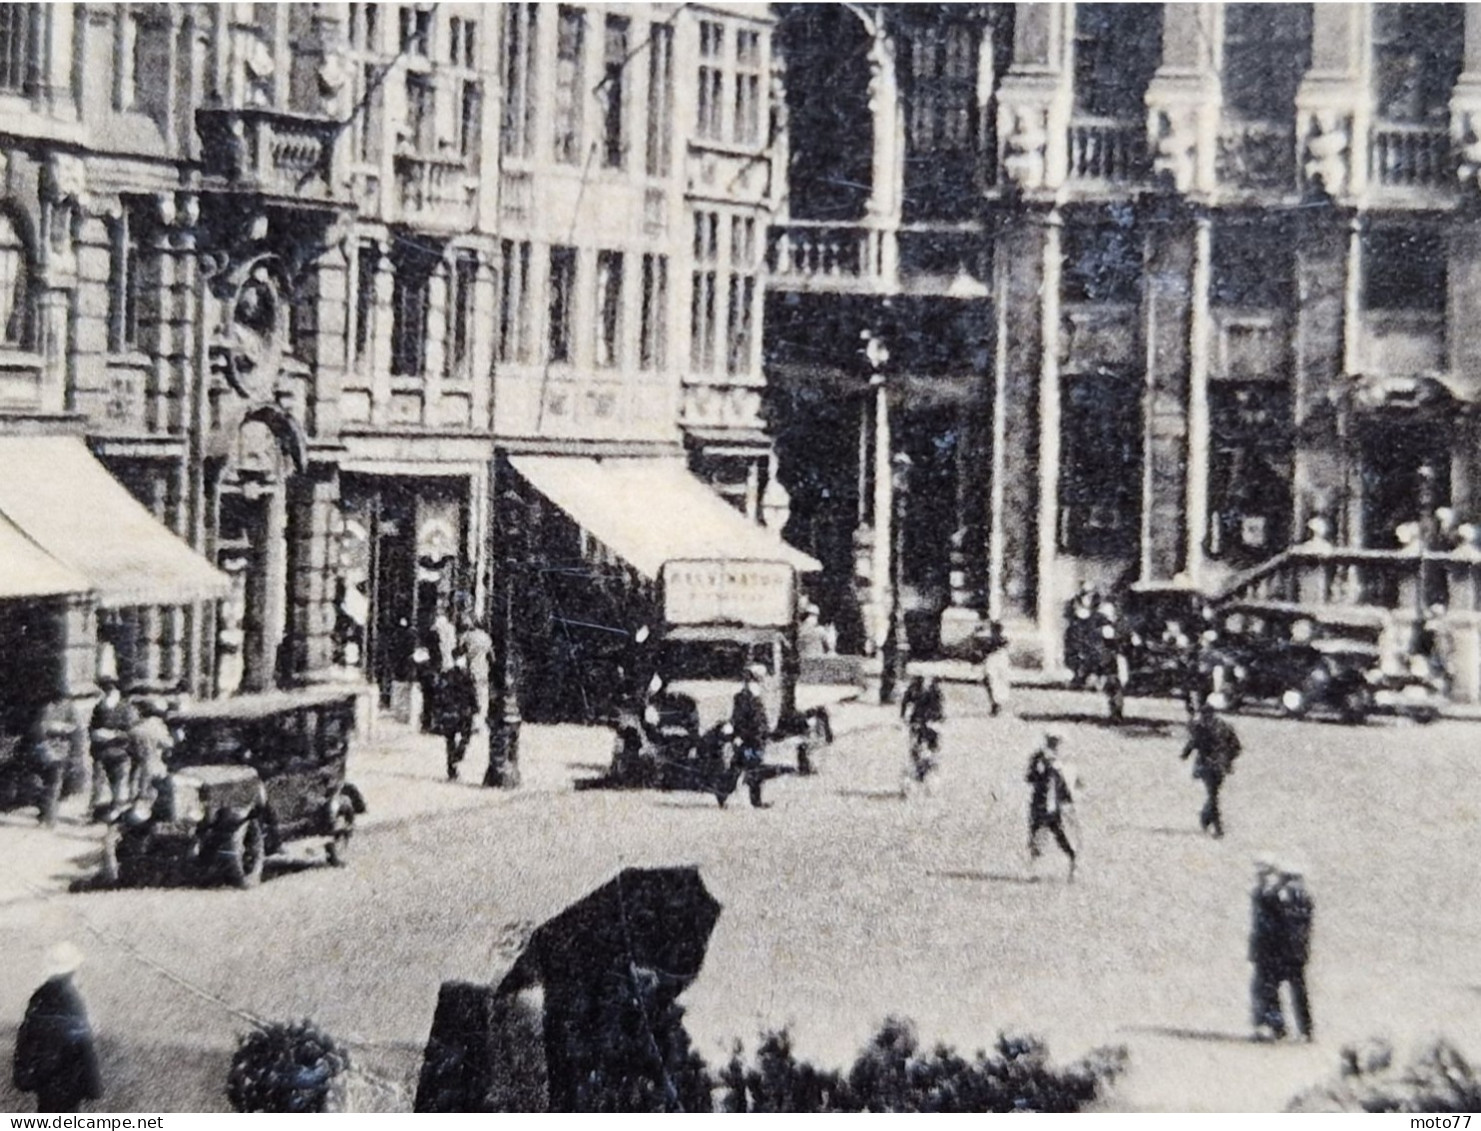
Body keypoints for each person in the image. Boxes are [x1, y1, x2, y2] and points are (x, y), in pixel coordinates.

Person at [13, 942, 102, 1113]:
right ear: (72, 970)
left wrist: (25, 1074)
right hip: (68, 1080)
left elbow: (27, 1037)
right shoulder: (72, 998)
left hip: (45, 1080)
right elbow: (83, 1044)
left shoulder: (40, 996)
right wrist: (92, 1084)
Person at [1249, 855, 1315, 1042]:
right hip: (1294, 953)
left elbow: (1274, 921)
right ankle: (1302, 1030)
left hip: (1279, 953)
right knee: (1294, 992)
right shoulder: (1304, 898)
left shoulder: (1279, 897)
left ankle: (1279, 1028)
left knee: (1272, 990)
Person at [1181, 701, 1241, 838]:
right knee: (1213, 794)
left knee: (1212, 795)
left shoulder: (1200, 727)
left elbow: (1193, 742)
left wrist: (1185, 754)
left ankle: (1208, 818)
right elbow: (1236, 746)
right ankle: (1213, 823)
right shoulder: (1224, 727)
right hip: (1220, 765)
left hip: (1207, 765)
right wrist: (1228, 758)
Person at [1025, 734, 1078, 880]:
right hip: (1041, 805)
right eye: (1054, 742)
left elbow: (1063, 784)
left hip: (1053, 807)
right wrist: (1041, 770)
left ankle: (1072, 866)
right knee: (1036, 837)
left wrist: (1068, 801)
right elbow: (1029, 777)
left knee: (1062, 836)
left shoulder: (1059, 761)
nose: (1056, 745)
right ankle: (1034, 871)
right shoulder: (1039, 758)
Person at [88, 676, 138, 820]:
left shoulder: (126, 710)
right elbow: (91, 727)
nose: (106, 695)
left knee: (119, 784)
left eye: (110, 692)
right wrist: (95, 734)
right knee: (99, 783)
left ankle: (117, 813)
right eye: (105, 692)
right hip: (100, 752)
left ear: (117, 693)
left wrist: (112, 735)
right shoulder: (99, 709)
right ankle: (97, 813)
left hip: (120, 753)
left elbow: (131, 733)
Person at [27, 699, 81, 828]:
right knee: (50, 783)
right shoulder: (45, 707)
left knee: (55, 783)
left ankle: (48, 815)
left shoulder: (70, 708)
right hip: (44, 749)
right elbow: (39, 728)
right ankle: (47, 815)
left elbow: (74, 727)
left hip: (61, 750)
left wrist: (58, 727)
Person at [729, 665, 772, 808]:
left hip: (757, 738)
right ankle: (735, 798)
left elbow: (760, 719)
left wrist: (765, 733)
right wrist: (739, 735)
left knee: (753, 769)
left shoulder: (755, 695)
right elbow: (739, 719)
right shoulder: (744, 697)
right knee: (744, 769)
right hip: (748, 738)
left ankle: (755, 801)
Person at [436, 655, 478, 781]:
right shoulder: (468, 676)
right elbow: (472, 694)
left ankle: (452, 770)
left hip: (449, 712)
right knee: (466, 737)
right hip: (464, 712)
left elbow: (440, 694)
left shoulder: (446, 675)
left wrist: (439, 711)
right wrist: (475, 709)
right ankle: (458, 756)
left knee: (450, 741)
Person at [900, 675, 944, 785]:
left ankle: (927, 770)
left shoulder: (935, 691)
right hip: (918, 721)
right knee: (916, 747)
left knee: (931, 749)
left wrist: (936, 720)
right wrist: (904, 716)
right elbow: (905, 702)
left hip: (930, 722)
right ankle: (918, 770)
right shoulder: (914, 689)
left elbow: (940, 709)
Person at [458, 619, 494, 730]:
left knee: (471, 696)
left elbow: (459, 651)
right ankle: (481, 722)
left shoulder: (467, 636)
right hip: (483, 669)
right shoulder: (486, 637)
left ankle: (471, 722)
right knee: (483, 695)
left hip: (471, 670)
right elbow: (492, 657)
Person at [975, 617, 1011, 716]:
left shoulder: (1001, 640)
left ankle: (997, 703)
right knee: (990, 679)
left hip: (998, 657)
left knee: (996, 680)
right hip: (991, 658)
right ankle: (995, 702)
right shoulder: (987, 637)